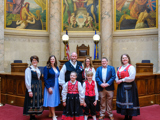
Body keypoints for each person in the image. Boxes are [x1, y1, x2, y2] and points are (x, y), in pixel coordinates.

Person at [115, 54, 140, 120]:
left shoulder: (131, 67)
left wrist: (122, 80)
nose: (124, 59)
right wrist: (117, 80)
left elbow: (132, 77)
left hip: (129, 87)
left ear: (128, 59)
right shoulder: (120, 67)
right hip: (121, 87)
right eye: (123, 58)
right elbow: (117, 76)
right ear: (121, 60)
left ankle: (130, 116)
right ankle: (125, 116)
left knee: (129, 101)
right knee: (123, 101)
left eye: (126, 58)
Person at [23, 55, 43, 120]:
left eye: (36, 60)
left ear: (37, 61)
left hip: (38, 87)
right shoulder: (28, 69)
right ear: (31, 61)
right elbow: (27, 80)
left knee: (36, 101)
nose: (34, 61)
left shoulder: (38, 69)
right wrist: (29, 90)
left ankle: (34, 115)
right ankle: (31, 116)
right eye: (33, 60)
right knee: (31, 100)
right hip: (32, 87)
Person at [43, 55, 60, 120]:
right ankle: (53, 115)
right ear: (49, 60)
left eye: (53, 59)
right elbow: (45, 78)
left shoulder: (57, 67)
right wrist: (48, 87)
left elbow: (58, 76)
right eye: (51, 59)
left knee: (53, 100)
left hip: (56, 85)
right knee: (52, 100)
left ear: (55, 60)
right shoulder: (46, 67)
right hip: (50, 85)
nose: (52, 60)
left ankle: (50, 113)